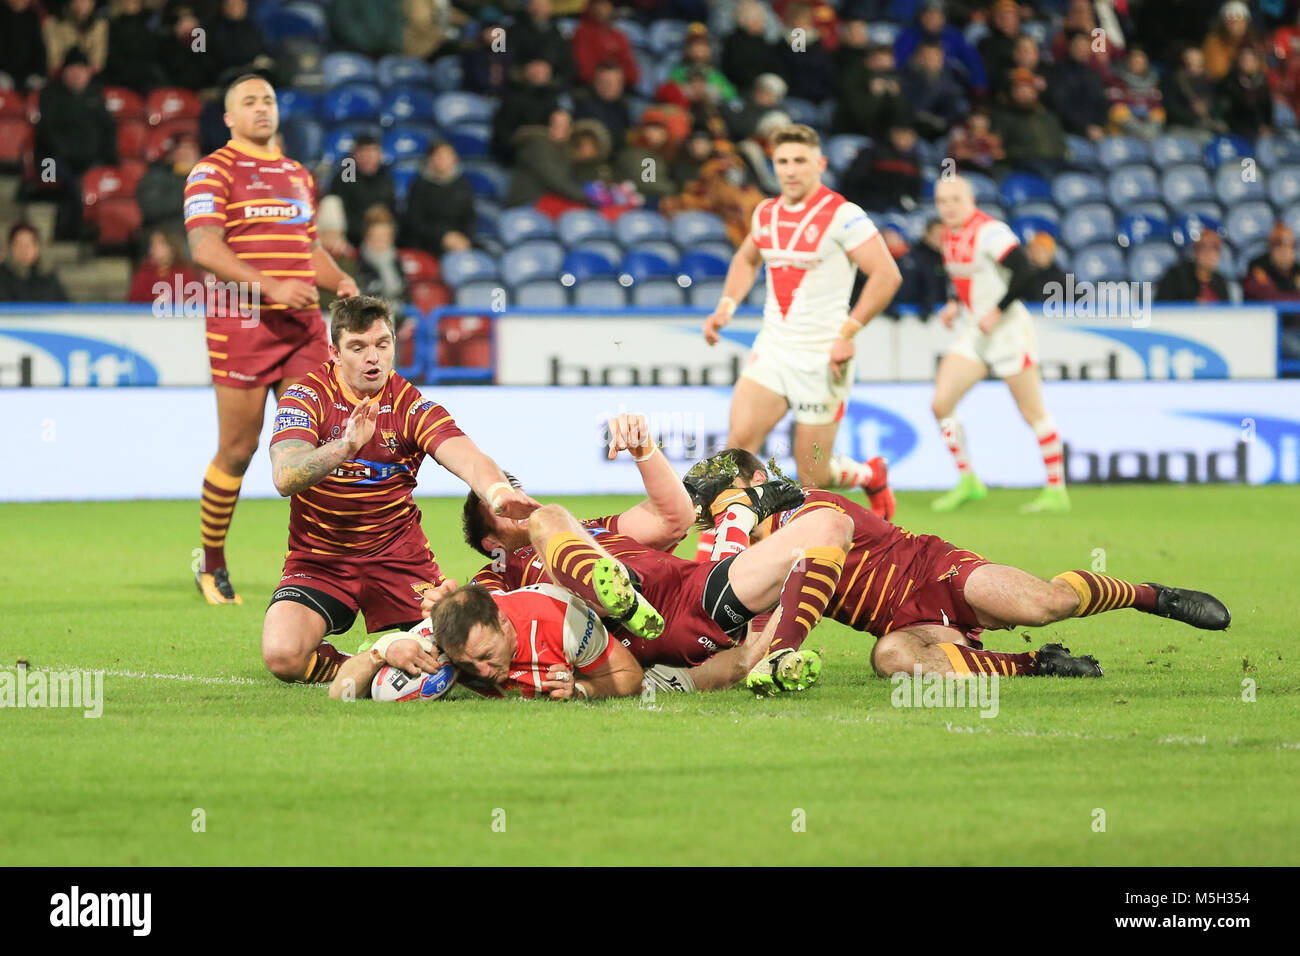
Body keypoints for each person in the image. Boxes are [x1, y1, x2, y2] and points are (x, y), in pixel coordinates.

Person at [694, 449, 1230, 681]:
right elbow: (754, 644)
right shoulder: (755, 564)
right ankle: (1038, 665)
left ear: (752, 486)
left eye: (724, 502)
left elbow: (807, 572)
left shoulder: (805, 504)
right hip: (904, 624)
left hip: (938, 572)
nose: (721, 518)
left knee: (1047, 602)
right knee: (891, 661)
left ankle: (1152, 596)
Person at [262, 294, 540, 684]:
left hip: (399, 560)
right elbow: (284, 476)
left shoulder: (410, 406)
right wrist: (345, 446)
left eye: (382, 344)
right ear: (335, 353)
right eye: (358, 347)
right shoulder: (305, 397)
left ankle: (406, 651)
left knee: (460, 656)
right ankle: (372, 658)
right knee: (283, 656)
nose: (373, 357)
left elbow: (469, 457)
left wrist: (496, 491)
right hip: (319, 559)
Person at [183, 74, 361, 605]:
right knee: (239, 449)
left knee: (317, 443)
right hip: (241, 326)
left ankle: (325, 563)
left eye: (268, 100)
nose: (261, 108)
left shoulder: (296, 175)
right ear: (229, 118)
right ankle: (211, 563)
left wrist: (340, 280)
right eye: (248, 102)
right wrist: (272, 286)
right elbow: (204, 249)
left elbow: (307, 249)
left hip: (303, 329)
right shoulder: (211, 171)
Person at [699, 124, 902, 526]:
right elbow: (746, 259)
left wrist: (848, 333)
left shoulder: (844, 216)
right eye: (782, 162)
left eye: (800, 161)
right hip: (773, 349)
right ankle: (716, 551)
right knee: (736, 448)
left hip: (822, 356)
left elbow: (886, 275)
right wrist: (726, 306)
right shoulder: (767, 212)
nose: (790, 171)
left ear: (820, 164)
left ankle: (867, 474)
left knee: (812, 475)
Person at [929, 176, 1069, 514]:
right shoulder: (950, 234)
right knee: (940, 404)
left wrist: (997, 309)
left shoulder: (991, 233)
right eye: (942, 200)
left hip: (1007, 331)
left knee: (1032, 412)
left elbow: (1025, 271)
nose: (948, 206)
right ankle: (969, 481)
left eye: (955, 199)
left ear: (971, 198)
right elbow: (960, 276)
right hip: (975, 332)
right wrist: (952, 302)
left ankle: (1056, 490)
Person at [34, 48, 118, 241]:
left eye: (81, 69)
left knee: (93, 179)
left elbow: (108, 129)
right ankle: (73, 228)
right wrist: (69, 154)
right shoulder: (50, 94)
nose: (77, 74)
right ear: (64, 72)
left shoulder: (96, 95)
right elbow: (46, 133)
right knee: (74, 183)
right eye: (72, 70)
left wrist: (110, 157)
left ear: (89, 72)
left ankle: (80, 227)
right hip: (52, 160)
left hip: (90, 159)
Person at [400, 140, 476, 256]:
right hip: (427, 244)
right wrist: (443, 236)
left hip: (459, 242)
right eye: (439, 156)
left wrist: (465, 238)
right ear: (430, 159)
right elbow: (414, 223)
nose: (444, 160)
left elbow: (470, 217)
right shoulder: (419, 186)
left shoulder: (463, 185)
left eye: (448, 156)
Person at [327, 134, 397, 249]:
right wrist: (367, 233)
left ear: (380, 155)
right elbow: (341, 215)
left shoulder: (386, 177)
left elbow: (391, 212)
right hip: (351, 240)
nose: (369, 157)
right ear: (354, 155)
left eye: (373, 152)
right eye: (364, 152)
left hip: (382, 239)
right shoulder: (345, 177)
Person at [137, 136, 201, 237]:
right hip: (167, 233)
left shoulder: (207, 174)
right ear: (172, 154)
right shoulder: (156, 176)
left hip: (199, 232)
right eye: (181, 148)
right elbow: (152, 210)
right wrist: (184, 177)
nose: (186, 153)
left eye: (190, 148)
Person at [570, 0, 638, 89]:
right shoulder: (582, 33)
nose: (601, 9)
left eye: (606, 5)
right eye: (599, 4)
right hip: (591, 88)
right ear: (591, 7)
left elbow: (632, 73)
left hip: (620, 88)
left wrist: (615, 79)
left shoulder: (618, 35)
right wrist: (606, 78)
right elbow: (584, 71)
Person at [127, 229, 202, 306]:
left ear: (171, 248)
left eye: (158, 244)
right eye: (152, 245)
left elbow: (200, 302)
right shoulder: (144, 273)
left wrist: (186, 302)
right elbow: (133, 302)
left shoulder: (186, 273)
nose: (152, 249)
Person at [0, 223, 69, 302]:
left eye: (28, 245)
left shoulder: (48, 278)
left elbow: (66, 307)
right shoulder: (2, 278)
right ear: (10, 248)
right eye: (19, 244)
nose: (24, 250)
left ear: (37, 248)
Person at [1155, 231, 1229, 303]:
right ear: (1195, 251)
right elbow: (1163, 308)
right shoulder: (1176, 276)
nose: (1210, 253)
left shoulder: (1220, 282)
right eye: (1204, 247)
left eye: (1215, 248)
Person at [1242, 222, 1300, 301]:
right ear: (1272, 249)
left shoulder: (1297, 269)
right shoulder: (1258, 266)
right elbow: (1269, 298)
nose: (1287, 252)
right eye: (1280, 245)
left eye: (1292, 247)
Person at [0, 0, 47, 90]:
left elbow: (40, 49)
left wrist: (40, 73)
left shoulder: (32, 17)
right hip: (3, 74)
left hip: (29, 75)